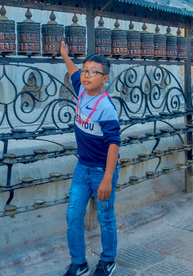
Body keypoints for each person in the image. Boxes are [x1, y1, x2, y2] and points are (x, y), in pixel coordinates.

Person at [61, 41, 121, 276]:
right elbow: (73, 73)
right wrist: (65, 55)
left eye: (94, 72)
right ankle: (79, 262)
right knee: (73, 214)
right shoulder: (81, 91)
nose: (86, 75)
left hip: (101, 171)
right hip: (82, 168)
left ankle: (108, 260)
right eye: (86, 70)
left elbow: (114, 143)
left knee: (105, 217)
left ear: (104, 79)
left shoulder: (106, 107)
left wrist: (107, 178)